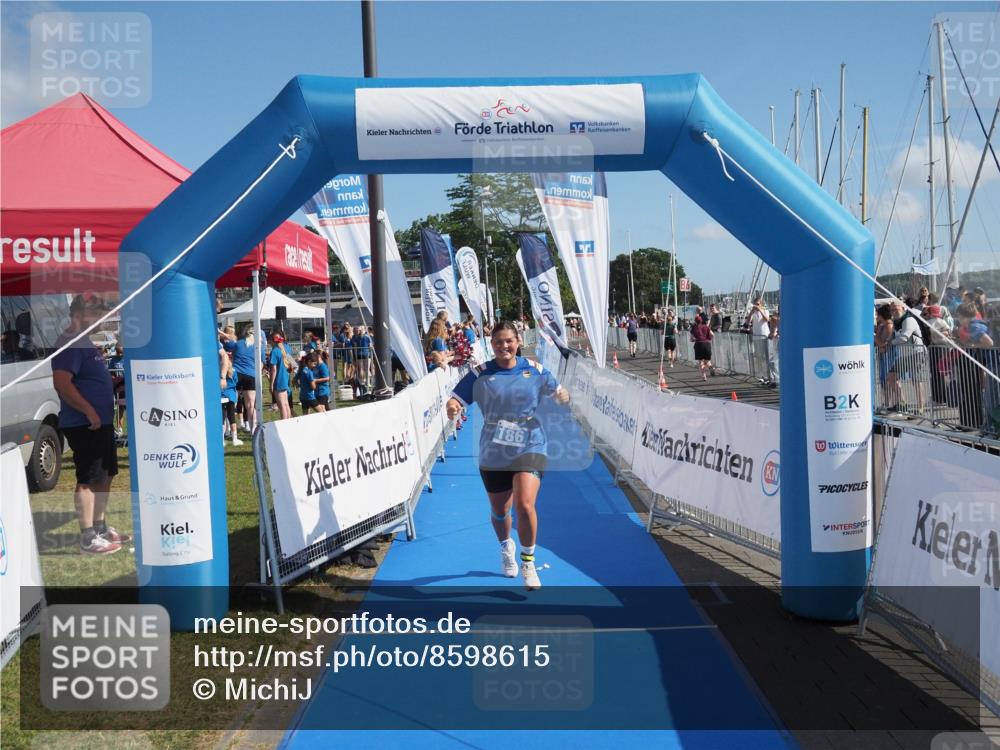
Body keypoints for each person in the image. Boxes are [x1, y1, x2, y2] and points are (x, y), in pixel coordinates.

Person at [445, 322, 570, 590]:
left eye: (509, 341)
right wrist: (453, 407)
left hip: (530, 442)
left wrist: (562, 395)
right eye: (499, 342)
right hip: (494, 448)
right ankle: (506, 547)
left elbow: (558, 390)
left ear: (518, 341)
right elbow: (455, 399)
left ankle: (528, 562)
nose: (504, 346)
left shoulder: (533, 370)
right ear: (492, 345)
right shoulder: (481, 373)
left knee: (524, 504)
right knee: (500, 511)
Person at [51, 294, 130, 555]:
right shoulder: (70, 343)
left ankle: (100, 527)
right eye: (96, 313)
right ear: (80, 314)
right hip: (85, 423)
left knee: (105, 474)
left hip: (101, 421)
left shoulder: (84, 343)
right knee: (88, 477)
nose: (101, 319)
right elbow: (62, 382)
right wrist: (89, 411)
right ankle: (87, 537)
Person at [223, 323, 260, 434]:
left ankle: (228, 429)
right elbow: (261, 362)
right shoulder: (257, 346)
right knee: (251, 404)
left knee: (231, 403)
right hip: (251, 375)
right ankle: (253, 428)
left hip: (236, 374)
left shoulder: (238, 344)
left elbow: (230, 350)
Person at [268, 329, 294, 420]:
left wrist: (271, 384)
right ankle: (288, 423)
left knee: (282, 406)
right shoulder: (286, 348)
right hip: (286, 378)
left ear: (272, 341)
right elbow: (292, 364)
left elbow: (273, 370)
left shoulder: (275, 351)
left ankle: (284, 424)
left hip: (279, 380)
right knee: (286, 404)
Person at [689, 314, 714, 380]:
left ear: (695, 321)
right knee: (707, 360)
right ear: (701, 320)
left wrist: (694, 339)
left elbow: (691, 339)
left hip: (699, 344)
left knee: (701, 361)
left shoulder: (694, 328)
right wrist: (709, 339)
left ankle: (704, 376)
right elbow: (712, 334)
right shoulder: (706, 327)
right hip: (707, 344)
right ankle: (710, 366)